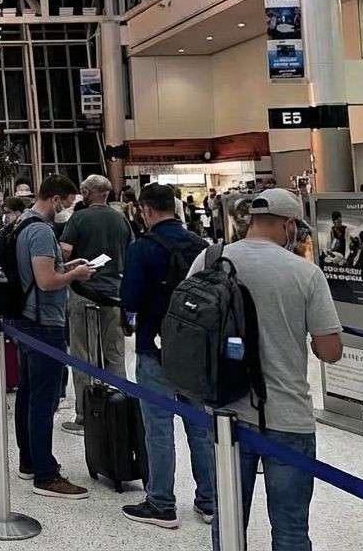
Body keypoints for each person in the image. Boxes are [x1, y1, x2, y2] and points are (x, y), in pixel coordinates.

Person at [191, 189, 342, 551]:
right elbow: (330, 351)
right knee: (290, 528)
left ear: (252, 220)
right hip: (286, 415)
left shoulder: (210, 258)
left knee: (228, 522)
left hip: (224, 412)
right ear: (289, 225)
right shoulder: (305, 274)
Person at [119, 182, 215, 529]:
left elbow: (129, 300)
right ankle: (209, 500)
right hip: (195, 351)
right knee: (200, 427)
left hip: (154, 346)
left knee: (158, 427)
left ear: (144, 211)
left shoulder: (142, 248)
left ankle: (161, 502)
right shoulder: (202, 246)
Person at [12, 174, 93, 500]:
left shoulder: (22, 224)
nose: (68, 211)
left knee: (29, 394)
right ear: (56, 198)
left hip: (25, 318)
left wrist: (66, 263)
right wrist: (75, 274)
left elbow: (39, 271)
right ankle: (46, 474)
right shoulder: (42, 231)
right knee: (44, 400)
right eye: (68, 204)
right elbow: (45, 281)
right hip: (43, 322)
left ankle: (29, 460)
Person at [58, 174, 132, 436]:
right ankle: (119, 407)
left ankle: (84, 414)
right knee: (114, 353)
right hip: (114, 294)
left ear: (87, 192)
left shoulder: (78, 219)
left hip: (84, 292)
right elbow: (129, 251)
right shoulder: (121, 219)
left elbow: (64, 253)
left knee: (82, 353)